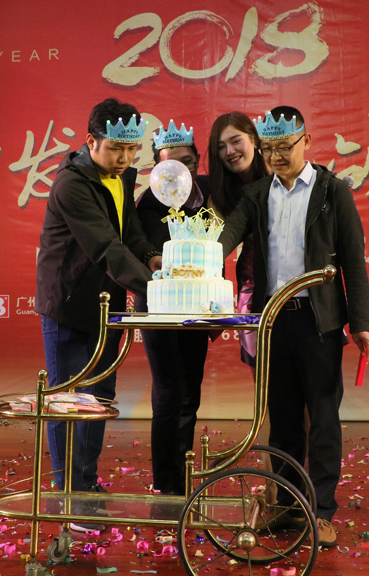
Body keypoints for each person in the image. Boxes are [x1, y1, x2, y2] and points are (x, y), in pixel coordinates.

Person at [218, 106, 369, 548]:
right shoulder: (256, 194)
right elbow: (227, 237)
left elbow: (353, 260)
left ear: (306, 141)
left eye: (284, 147)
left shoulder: (332, 191)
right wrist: (200, 255)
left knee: (322, 418)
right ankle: (286, 507)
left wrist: (360, 323)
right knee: (283, 420)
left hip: (318, 320)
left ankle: (321, 512)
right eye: (268, 149)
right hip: (272, 321)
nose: (276, 156)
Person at [36, 98, 160, 532]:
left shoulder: (121, 176)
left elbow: (129, 232)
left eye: (132, 150)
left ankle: (85, 484)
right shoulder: (71, 184)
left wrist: (151, 257)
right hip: (68, 306)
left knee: (98, 400)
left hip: (107, 304)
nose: (125, 159)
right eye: (116, 149)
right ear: (91, 141)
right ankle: (70, 497)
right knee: (70, 403)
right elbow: (107, 247)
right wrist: (157, 289)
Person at [135, 120, 210, 496]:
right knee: (168, 390)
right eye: (170, 163)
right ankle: (166, 481)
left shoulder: (207, 194)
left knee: (190, 392)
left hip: (198, 307)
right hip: (160, 308)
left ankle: (183, 473)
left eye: (188, 161)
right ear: (157, 166)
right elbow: (156, 248)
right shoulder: (148, 201)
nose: (181, 170)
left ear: (197, 161)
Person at [207, 112, 270, 369]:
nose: (230, 151)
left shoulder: (279, 175)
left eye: (236, 141)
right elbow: (213, 244)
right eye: (221, 147)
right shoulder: (219, 194)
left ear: (254, 138)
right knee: (262, 370)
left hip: (293, 285)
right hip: (252, 286)